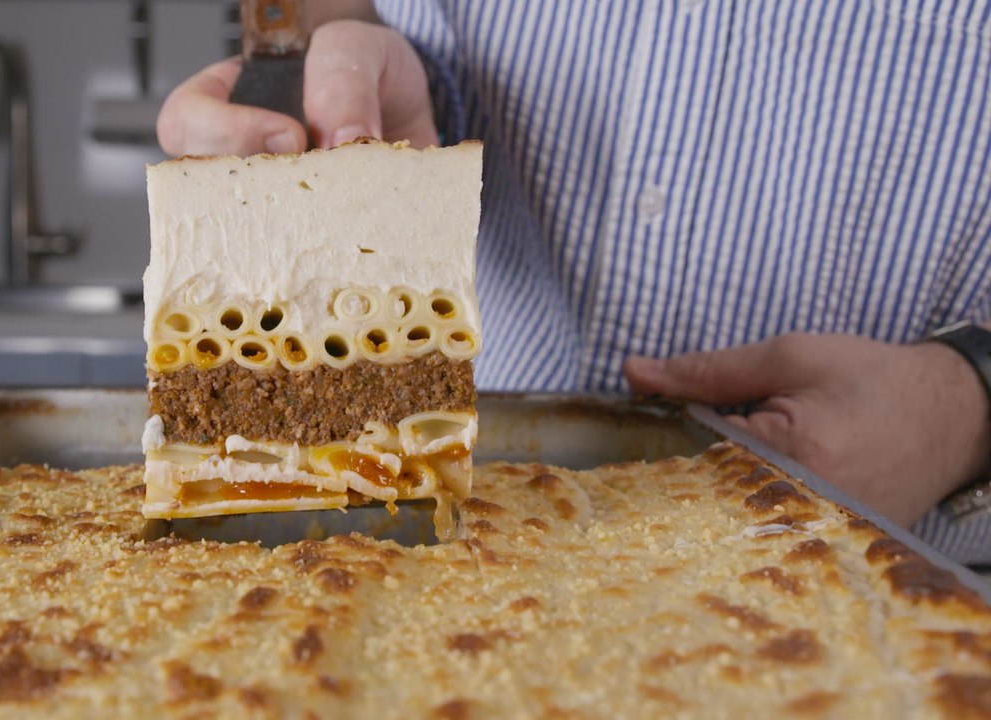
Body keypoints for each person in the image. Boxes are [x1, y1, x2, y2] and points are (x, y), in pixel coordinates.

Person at [157, 1, 991, 562]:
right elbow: (324, 11)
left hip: (875, 585)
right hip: (416, 553)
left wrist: (967, 405)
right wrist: (349, 66)